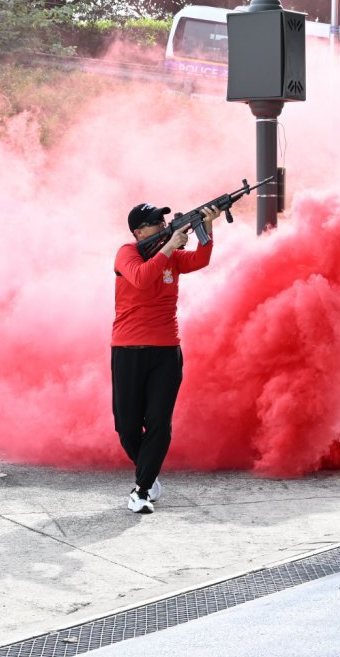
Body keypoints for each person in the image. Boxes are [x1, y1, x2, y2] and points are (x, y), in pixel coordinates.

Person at [112, 200, 220, 514]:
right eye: (155, 223)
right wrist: (170, 245)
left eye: (163, 221)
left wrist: (207, 226)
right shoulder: (127, 253)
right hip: (127, 350)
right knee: (127, 427)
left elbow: (200, 259)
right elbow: (142, 278)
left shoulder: (170, 256)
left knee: (159, 422)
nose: (162, 226)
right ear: (139, 232)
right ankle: (148, 473)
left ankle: (141, 490)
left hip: (166, 351)